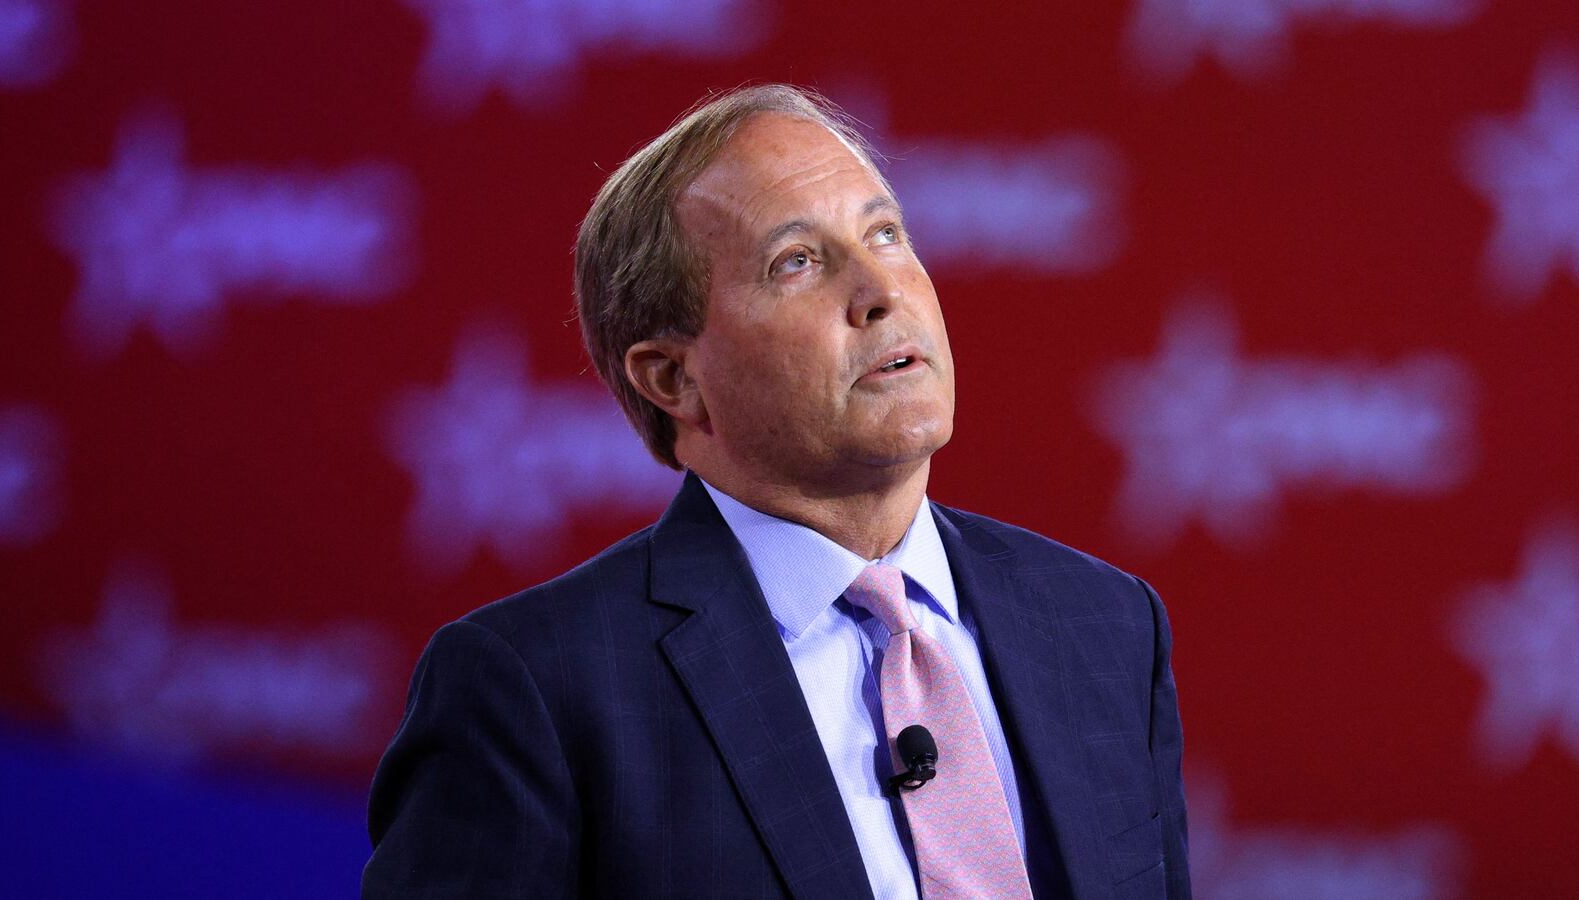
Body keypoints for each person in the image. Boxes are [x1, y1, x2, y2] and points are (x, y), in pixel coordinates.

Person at [363, 84, 1190, 900]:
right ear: (674, 378)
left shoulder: (1106, 625)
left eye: (887, 233)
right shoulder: (537, 692)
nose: (881, 291)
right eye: (797, 262)